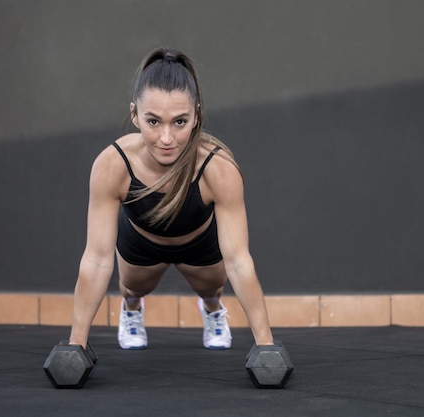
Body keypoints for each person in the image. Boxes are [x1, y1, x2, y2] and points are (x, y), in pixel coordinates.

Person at [67, 47, 274, 351]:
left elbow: (239, 262)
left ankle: (214, 309)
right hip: (141, 240)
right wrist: (75, 346)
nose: (166, 138)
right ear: (135, 115)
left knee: (213, 289)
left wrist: (267, 346)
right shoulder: (112, 165)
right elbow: (97, 260)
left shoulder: (219, 169)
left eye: (179, 122)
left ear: (196, 116)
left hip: (200, 242)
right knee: (132, 288)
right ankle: (132, 309)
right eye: (154, 122)